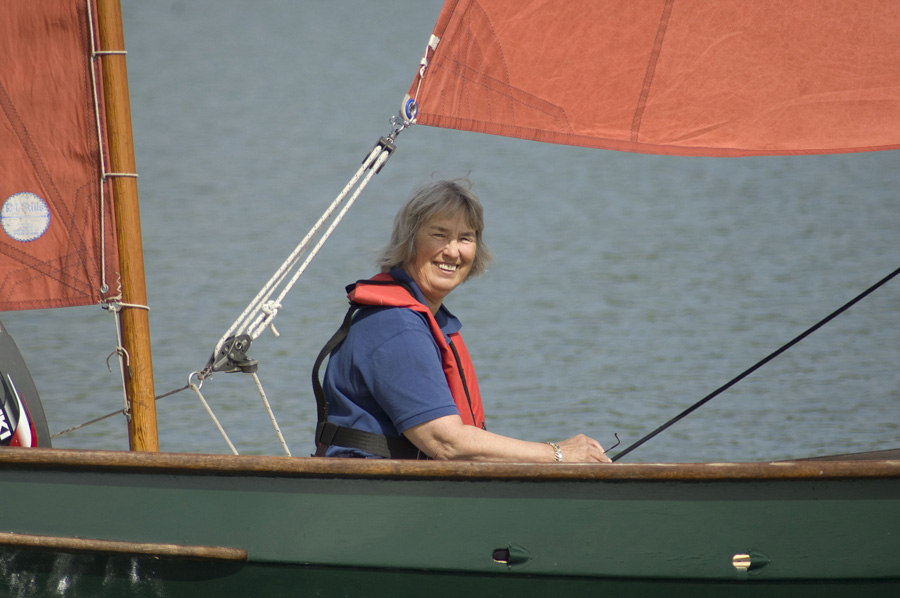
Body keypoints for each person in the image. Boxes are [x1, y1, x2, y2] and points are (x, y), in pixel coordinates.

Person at [313, 178, 611, 463]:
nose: (453, 251)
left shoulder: (421, 318)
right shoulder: (396, 326)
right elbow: (446, 443)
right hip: (370, 488)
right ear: (409, 242)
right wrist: (558, 454)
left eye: (465, 238)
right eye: (439, 235)